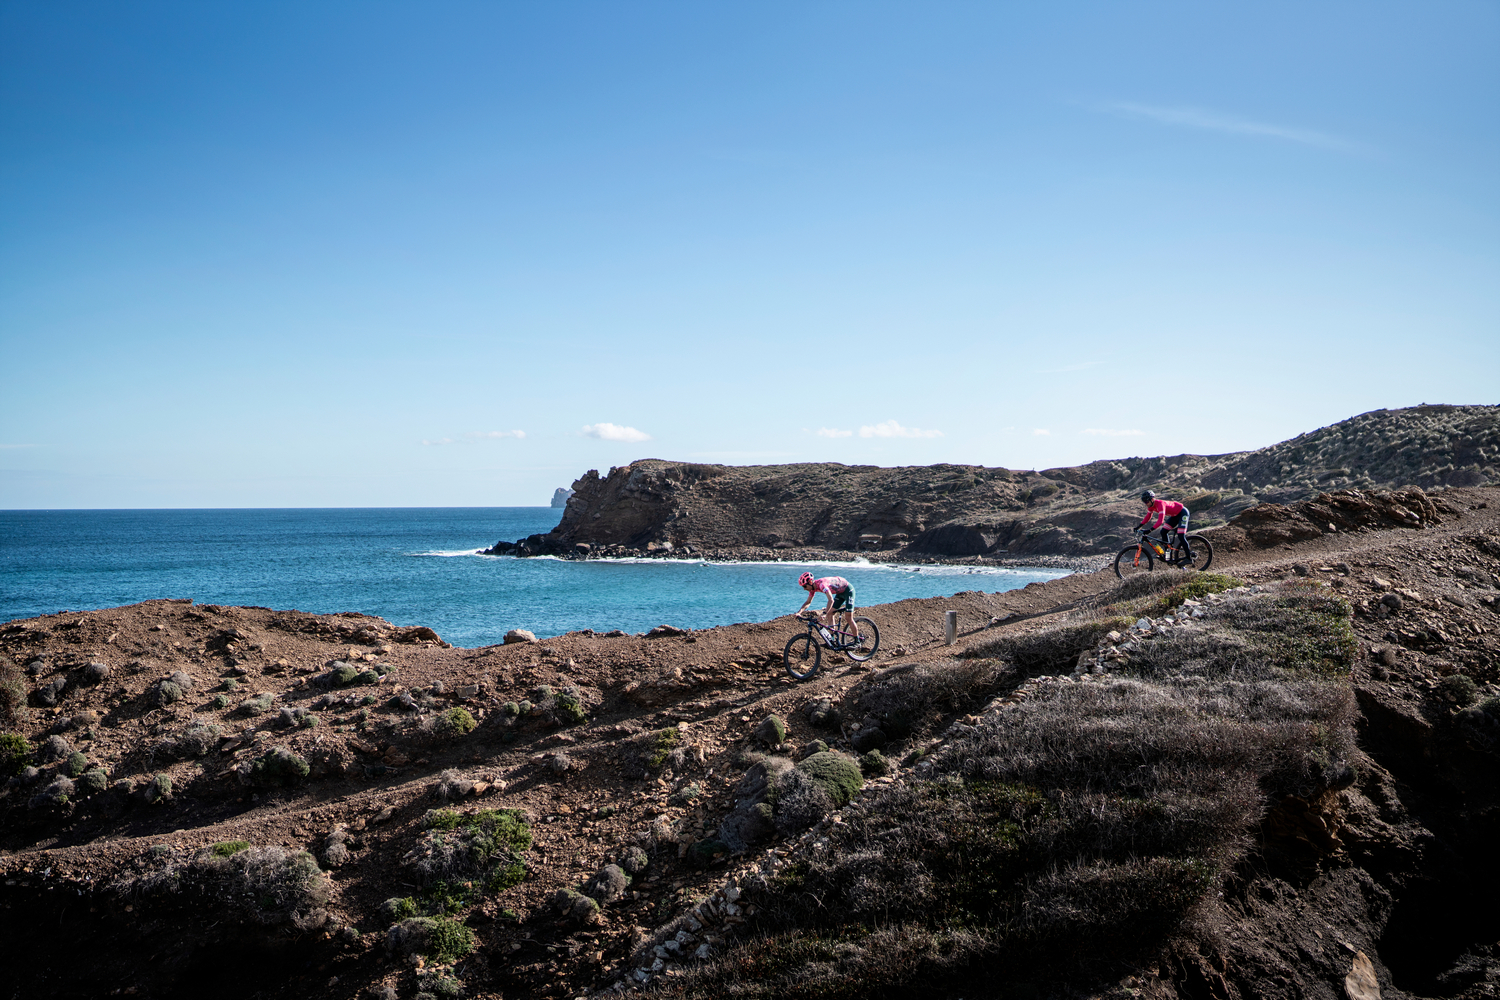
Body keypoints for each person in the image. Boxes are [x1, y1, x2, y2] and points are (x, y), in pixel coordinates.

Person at [1136, 490, 1194, 566]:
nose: (1146, 504)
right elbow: (1148, 517)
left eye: (1146, 502)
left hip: (1183, 513)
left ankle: (1188, 558)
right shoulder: (1151, 506)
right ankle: (1168, 555)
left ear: (1152, 499)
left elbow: (1160, 521)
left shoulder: (1160, 504)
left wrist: (1150, 530)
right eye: (1144, 502)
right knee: (1163, 532)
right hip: (1174, 516)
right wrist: (1139, 526)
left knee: (1180, 535)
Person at [795, 572, 857, 642]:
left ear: (810, 582)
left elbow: (831, 600)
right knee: (830, 614)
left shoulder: (822, 585)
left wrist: (824, 613)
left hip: (848, 591)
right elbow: (808, 602)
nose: (804, 589)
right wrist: (799, 612)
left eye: (805, 586)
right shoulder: (812, 589)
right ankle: (832, 639)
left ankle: (856, 640)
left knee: (848, 617)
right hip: (840, 593)